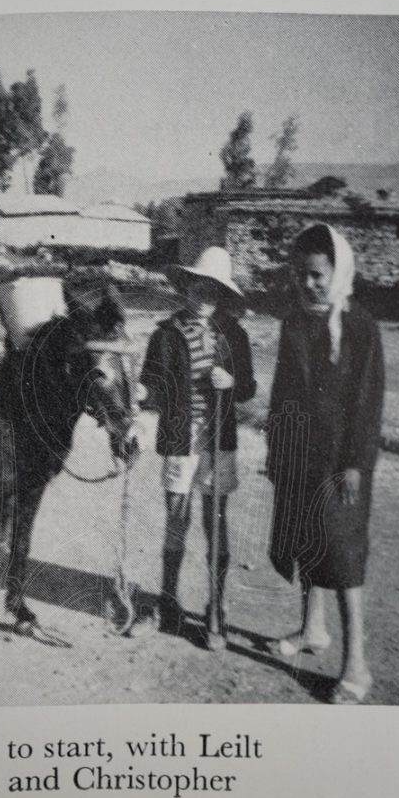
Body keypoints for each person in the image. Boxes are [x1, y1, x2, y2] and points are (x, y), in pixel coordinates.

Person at [267, 223, 384, 704]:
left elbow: (368, 400)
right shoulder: (294, 322)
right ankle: (313, 630)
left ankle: (357, 664)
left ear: (337, 271)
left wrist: (355, 462)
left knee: (342, 554)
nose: (308, 283)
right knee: (306, 542)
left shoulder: (361, 328)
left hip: (342, 460)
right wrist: (277, 451)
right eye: (300, 275)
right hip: (299, 455)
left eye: (316, 275)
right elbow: (281, 393)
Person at [140, 247, 256, 636]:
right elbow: (151, 383)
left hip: (218, 440)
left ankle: (215, 609)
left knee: (215, 523)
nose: (205, 297)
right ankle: (168, 601)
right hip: (179, 437)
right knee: (176, 520)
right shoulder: (166, 333)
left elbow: (248, 390)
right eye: (199, 287)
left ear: (223, 295)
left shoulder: (234, 334)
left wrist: (233, 382)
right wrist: (139, 396)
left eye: (214, 290)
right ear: (187, 287)